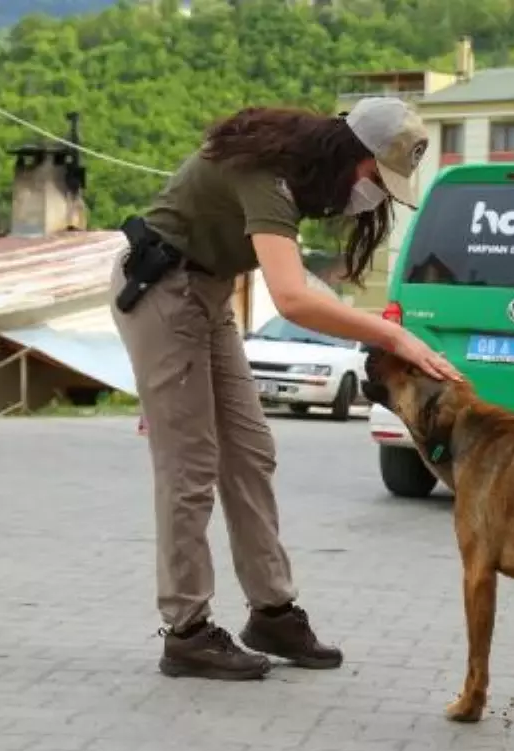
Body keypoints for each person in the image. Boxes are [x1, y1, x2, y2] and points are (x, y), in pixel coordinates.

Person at [111, 96, 463, 682]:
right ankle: (187, 632)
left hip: (208, 294)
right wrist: (391, 338)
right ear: (352, 153)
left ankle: (272, 611)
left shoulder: (294, 175)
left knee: (251, 451)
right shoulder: (266, 173)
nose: (373, 193)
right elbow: (292, 298)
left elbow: (298, 287)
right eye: (377, 176)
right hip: (162, 292)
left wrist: (386, 333)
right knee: (190, 466)